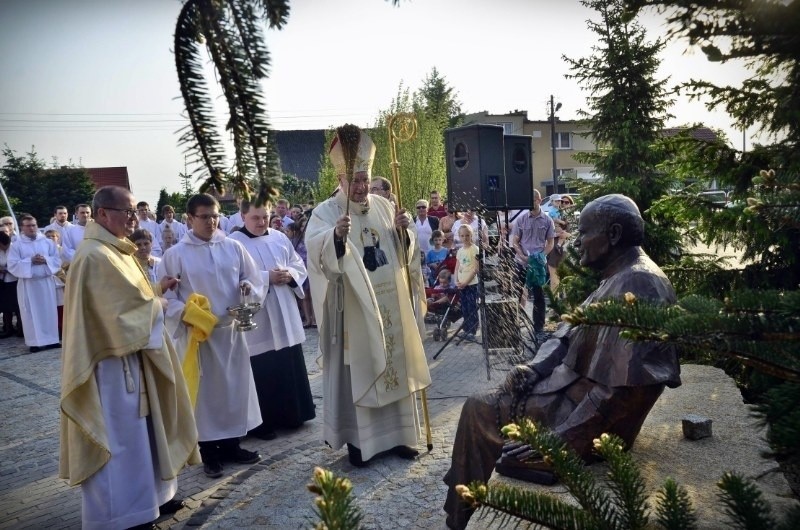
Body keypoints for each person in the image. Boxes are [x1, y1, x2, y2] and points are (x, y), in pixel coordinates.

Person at [443, 194, 682, 529]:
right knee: (480, 405)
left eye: (583, 233)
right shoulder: (618, 275)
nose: (575, 242)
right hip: (570, 396)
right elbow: (565, 335)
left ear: (612, 234)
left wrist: (561, 442)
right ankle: (463, 511)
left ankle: (461, 516)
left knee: (479, 410)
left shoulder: (639, 282)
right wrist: (535, 368)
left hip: (589, 423)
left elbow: (626, 394)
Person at [59, 186, 199, 530]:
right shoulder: (94, 256)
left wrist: (155, 293)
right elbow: (116, 316)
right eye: (127, 212)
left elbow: (127, 299)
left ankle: (150, 501)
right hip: (110, 368)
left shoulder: (115, 250)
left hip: (134, 359)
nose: (134, 219)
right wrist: (158, 306)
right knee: (122, 444)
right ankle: (118, 516)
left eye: (135, 211)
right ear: (103, 214)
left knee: (144, 439)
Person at [305, 124, 431, 467]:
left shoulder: (384, 206)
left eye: (365, 179)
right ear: (341, 180)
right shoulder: (325, 212)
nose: (361, 187)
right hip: (356, 312)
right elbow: (317, 258)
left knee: (396, 364)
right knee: (363, 367)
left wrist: (405, 233)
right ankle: (364, 445)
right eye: (354, 181)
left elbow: (405, 257)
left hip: (392, 304)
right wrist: (335, 237)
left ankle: (404, 438)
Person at [161, 193, 265, 479]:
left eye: (215, 215)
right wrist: (191, 316)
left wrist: (247, 287)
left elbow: (254, 279)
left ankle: (232, 445)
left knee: (234, 390)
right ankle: (209, 453)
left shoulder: (232, 247)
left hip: (230, 331)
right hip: (200, 336)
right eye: (204, 216)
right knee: (206, 397)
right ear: (190, 218)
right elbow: (167, 297)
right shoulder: (176, 254)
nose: (211, 221)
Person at [229, 202, 316, 440]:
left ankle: (294, 414)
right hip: (260, 317)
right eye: (255, 217)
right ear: (243, 216)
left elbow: (298, 264)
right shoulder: (234, 243)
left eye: (265, 216)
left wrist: (290, 275)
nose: (261, 222)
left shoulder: (279, 237)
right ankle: (263, 423)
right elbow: (232, 279)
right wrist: (267, 277)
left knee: (288, 362)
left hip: (284, 310)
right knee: (263, 368)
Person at [7, 214, 61, 353]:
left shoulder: (47, 242)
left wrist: (45, 260)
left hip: (45, 282)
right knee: (31, 313)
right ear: (22, 228)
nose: (32, 228)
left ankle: (51, 340)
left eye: (34, 225)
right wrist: (30, 261)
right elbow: (12, 265)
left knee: (48, 311)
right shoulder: (16, 245)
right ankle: (34, 342)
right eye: (28, 226)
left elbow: (56, 259)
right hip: (29, 284)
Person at [511, 190, 555, 335]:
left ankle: (539, 327)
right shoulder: (521, 219)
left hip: (538, 265)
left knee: (539, 296)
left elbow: (550, 243)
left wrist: (542, 255)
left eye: (533, 200)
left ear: (539, 200)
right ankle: (515, 324)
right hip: (522, 262)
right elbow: (515, 241)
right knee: (517, 293)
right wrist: (522, 255)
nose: (531, 203)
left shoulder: (548, 220)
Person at [454, 224, 480, 341]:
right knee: (464, 307)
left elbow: (475, 269)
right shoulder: (460, 250)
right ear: (459, 236)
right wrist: (456, 280)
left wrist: (466, 282)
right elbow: (457, 267)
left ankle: (473, 331)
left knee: (471, 307)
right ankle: (466, 329)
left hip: (471, 284)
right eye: (462, 236)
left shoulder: (474, 249)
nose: (465, 238)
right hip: (461, 284)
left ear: (471, 235)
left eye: (467, 235)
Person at [0, 231, 22, 338]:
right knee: (5, 307)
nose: (4, 248)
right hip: (3, 282)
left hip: (15, 280)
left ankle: (21, 328)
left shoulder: (14, 248)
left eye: (6, 246)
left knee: (18, 306)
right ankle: (8, 328)